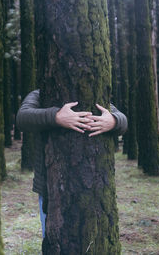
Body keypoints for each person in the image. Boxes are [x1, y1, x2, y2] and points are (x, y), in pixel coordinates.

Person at [16, 89, 127, 237]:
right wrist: (56, 117)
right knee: (54, 238)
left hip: (94, 186)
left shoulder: (93, 93)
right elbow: (22, 117)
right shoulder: (40, 94)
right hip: (51, 186)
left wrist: (113, 121)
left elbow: (123, 120)